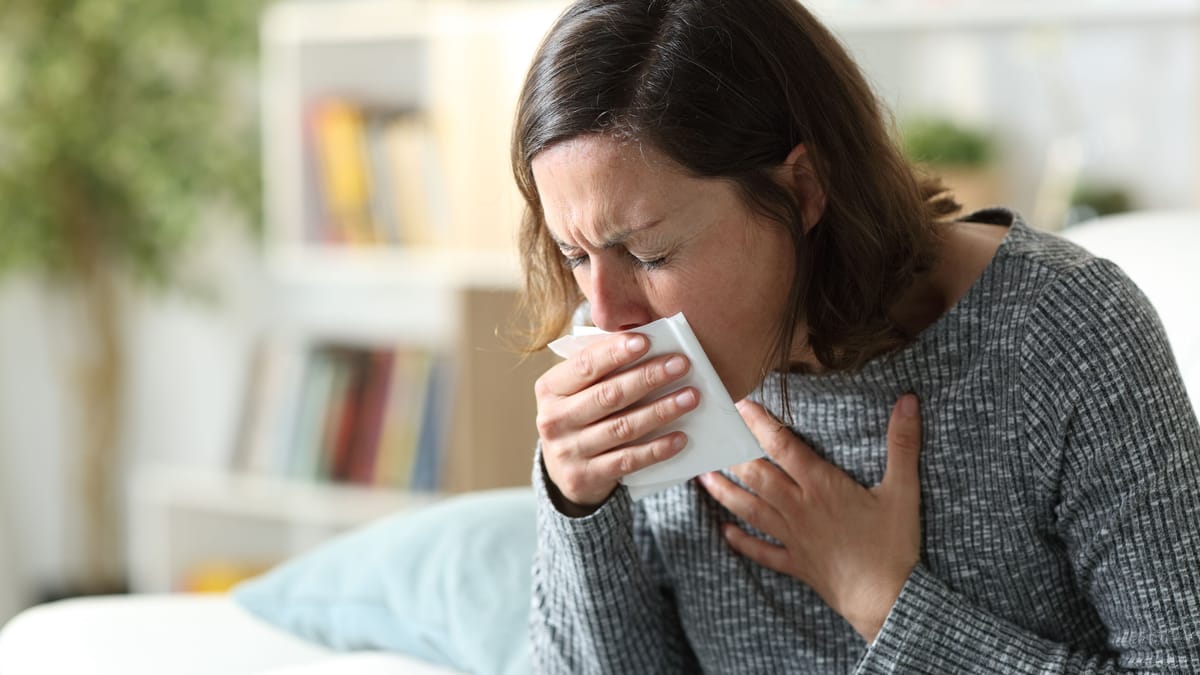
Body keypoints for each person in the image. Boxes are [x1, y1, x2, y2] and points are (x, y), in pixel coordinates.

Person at [509, 0, 1200, 672]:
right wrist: (578, 506)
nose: (604, 315)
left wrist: (888, 605)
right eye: (575, 255)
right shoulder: (627, 358)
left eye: (650, 253)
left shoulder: (1062, 332)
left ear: (804, 187)